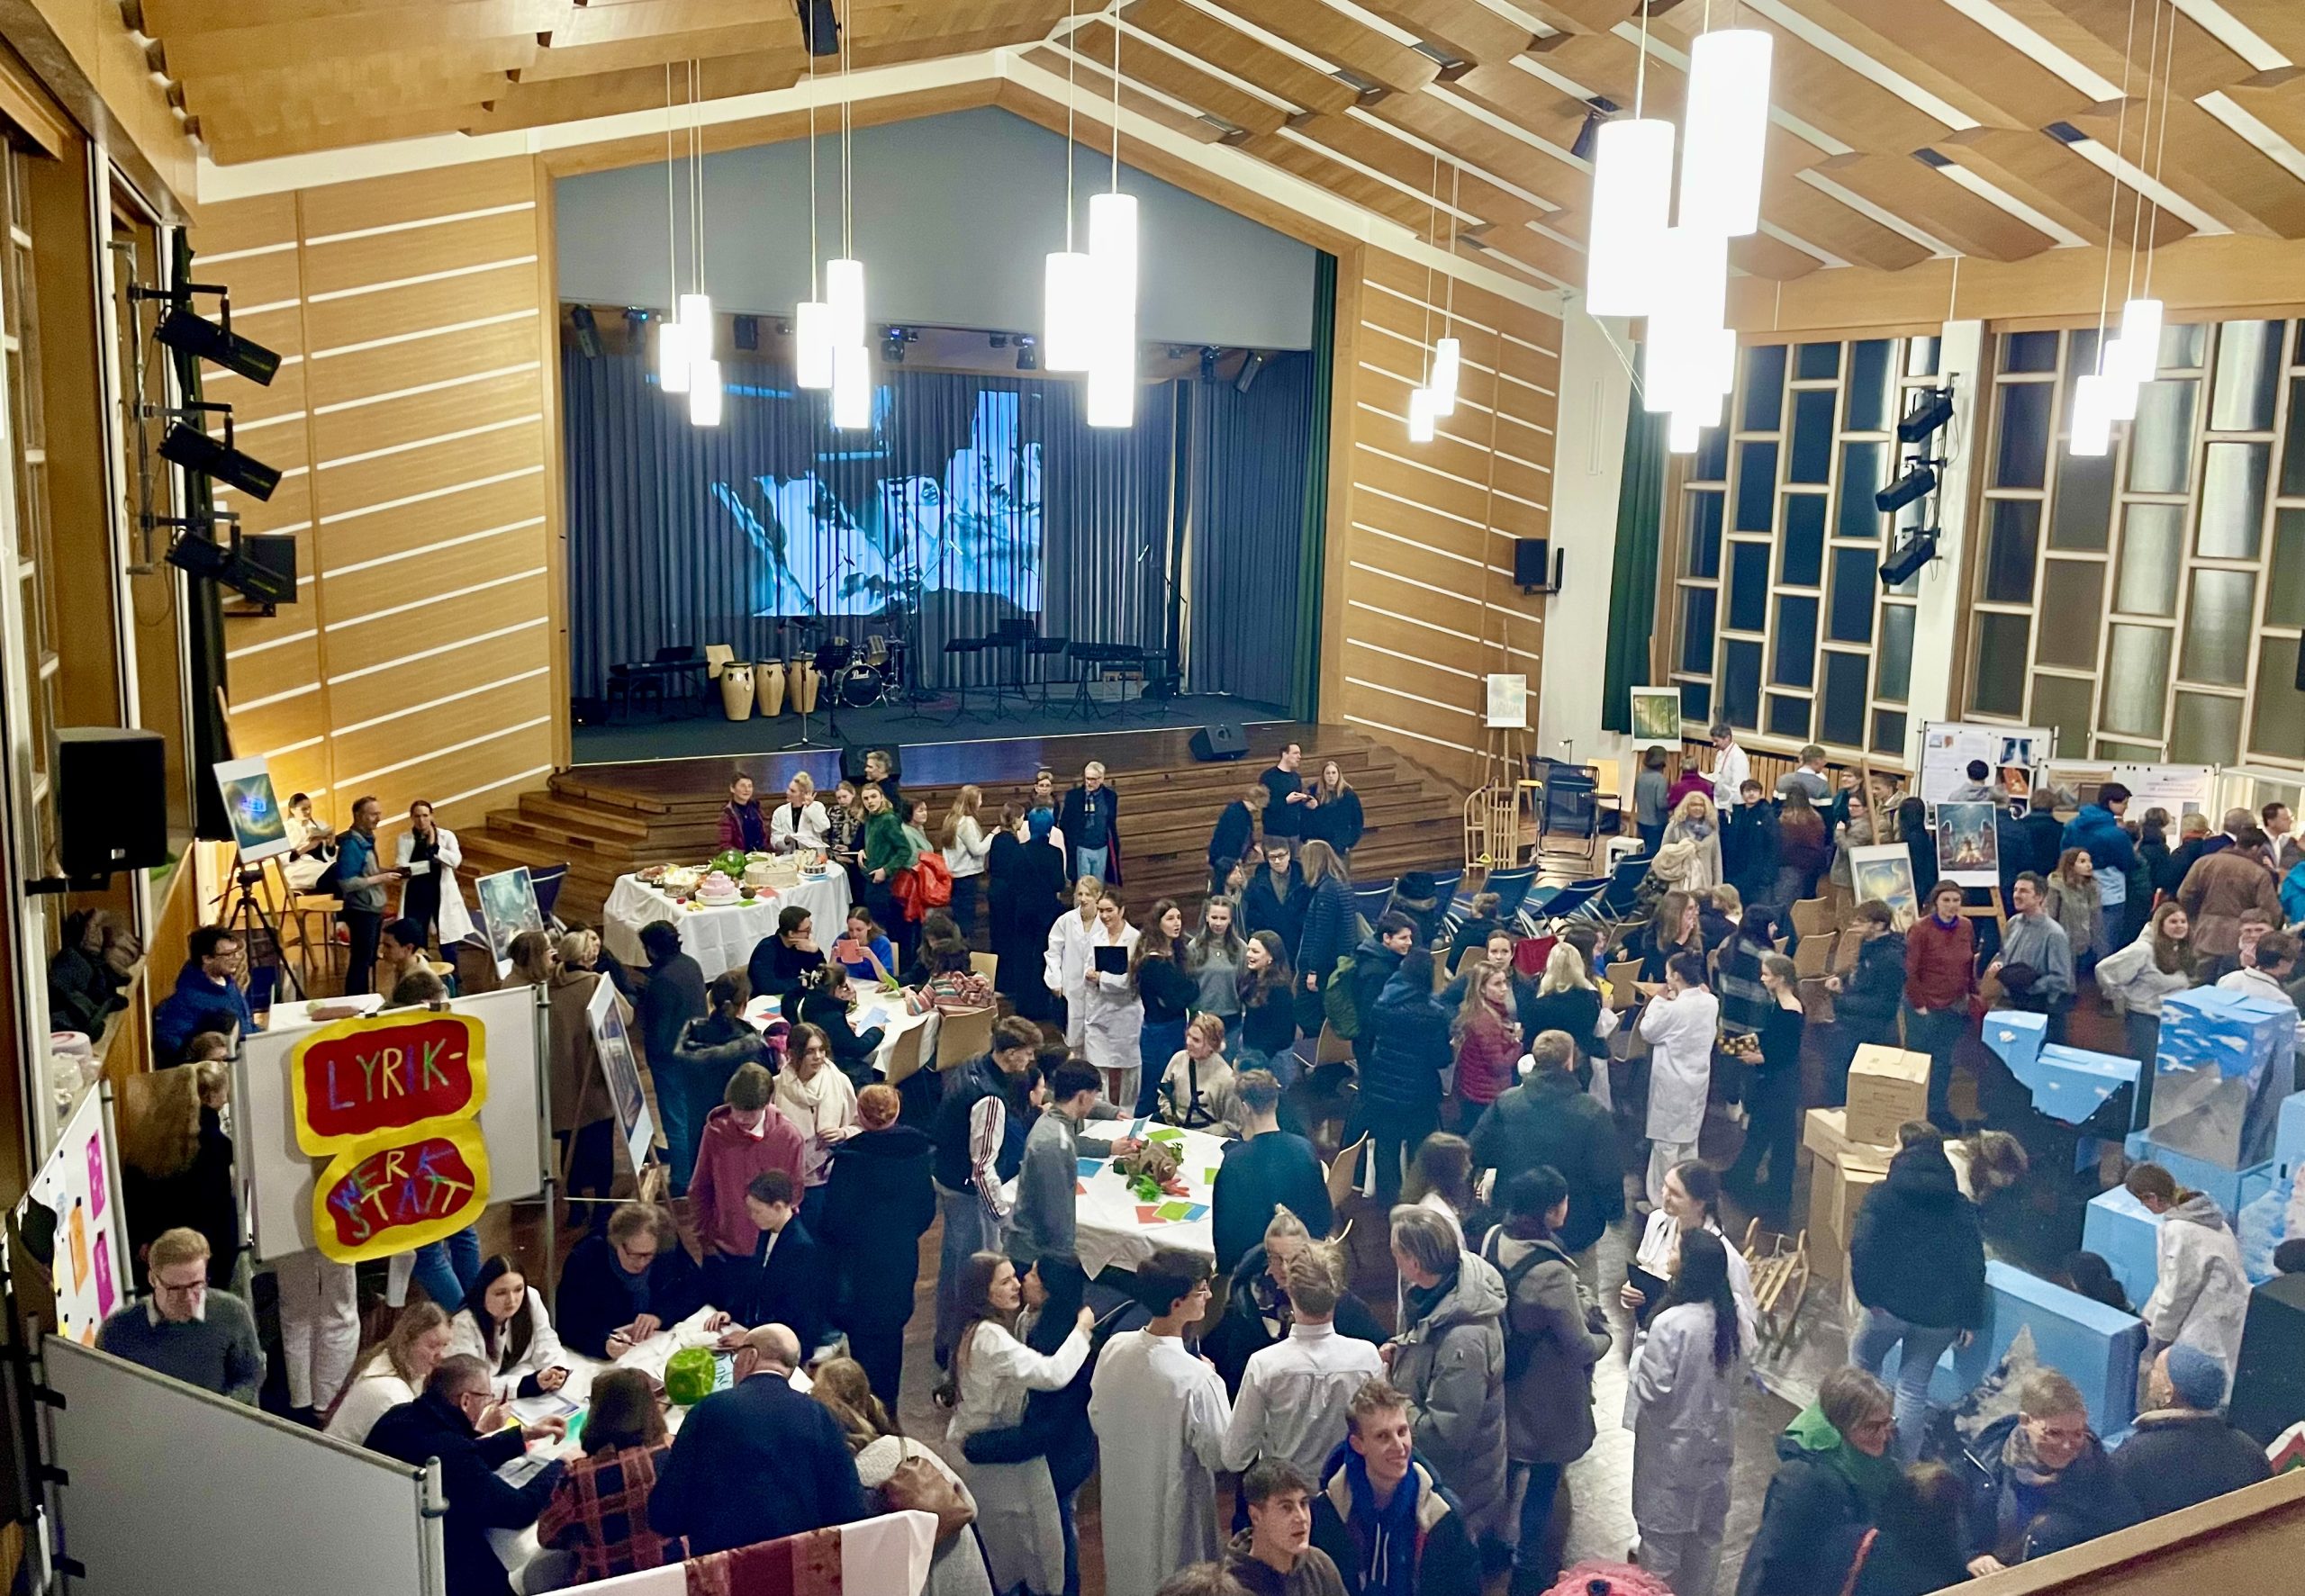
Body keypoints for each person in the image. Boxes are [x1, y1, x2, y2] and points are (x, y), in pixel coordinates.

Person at [1481, 1168, 1612, 1593]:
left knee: (1505, 1471)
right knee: (1543, 1481)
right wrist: (1606, 1338)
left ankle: (1492, 1545)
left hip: (1507, 1378)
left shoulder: (1494, 1238)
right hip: (1546, 1392)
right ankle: (1527, 1567)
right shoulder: (1551, 1272)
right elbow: (1579, 1345)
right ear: (1552, 1211)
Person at [945, 1252, 1098, 1596]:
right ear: (984, 1293)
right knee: (1014, 1538)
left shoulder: (991, 1327)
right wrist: (1083, 1330)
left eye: (1024, 1275)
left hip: (1033, 1450)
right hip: (994, 1448)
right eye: (1006, 1280)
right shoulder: (993, 1335)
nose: (1020, 1281)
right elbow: (1052, 1374)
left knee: (1038, 1534)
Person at [648, 1323, 867, 1555]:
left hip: (723, 1565)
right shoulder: (821, 1415)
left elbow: (665, 1515)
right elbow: (849, 1509)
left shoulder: (708, 1410)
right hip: (802, 1563)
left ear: (750, 1356)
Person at [1091, 1250, 1234, 1596]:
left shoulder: (1114, 1347)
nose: (1209, 1295)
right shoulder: (1196, 1378)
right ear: (1177, 1303)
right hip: (1174, 1505)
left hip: (1124, 1495)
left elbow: (1096, 1415)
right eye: (1201, 1290)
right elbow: (1221, 1454)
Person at [365, 1356, 566, 1596]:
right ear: (466, 1401)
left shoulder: (401, 1416)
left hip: (380, 1538)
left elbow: (467, 1453)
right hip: (432, 1561)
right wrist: (561, 1466)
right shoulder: (449, 1450)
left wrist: (523, 1435)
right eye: (487, 1397)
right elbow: (519, 1510)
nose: (488, 1404)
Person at [1849, 1136, 1987, 1463]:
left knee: (1862, 1367)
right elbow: (1974, 1265)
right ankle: (1904, 1466)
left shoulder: (1882, 1197)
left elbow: (1863, 1247)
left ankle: (1853, 1443)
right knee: (1912, 1389)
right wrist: (1969, 1318)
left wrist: (1867, 1295)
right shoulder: (1960, 1207)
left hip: (1887, 1307)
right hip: (1939, 1319)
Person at [1627, 1228, 1746, 1596]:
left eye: (1677, 1248)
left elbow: (1652, 1391)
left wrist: (1640, 1350)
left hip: (1670, 1459)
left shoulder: (1672, 1323)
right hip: (1714, 1452)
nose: (1671, 1252)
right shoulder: (1732, 1318)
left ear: (1689, 1266)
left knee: (1659, 1559)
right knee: (1705, 1547)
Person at [1383, 1206, 1507, 1553]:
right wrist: (1402, 1348)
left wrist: (1393, 1395)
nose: (1393, 1260)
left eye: (1396, 1253)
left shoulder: (1463, 1342)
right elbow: (1426, 1343)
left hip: (1462, 1488)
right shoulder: (1441, 1291)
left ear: (1414, 1264)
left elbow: (1445, 1435)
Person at [1467, 1030, 1619, 1298]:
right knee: (1581, 1299)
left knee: (1513, 1296)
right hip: (1574, 1225)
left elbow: (1477, 1152)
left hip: (1517, 1220)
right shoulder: (1593, 1113)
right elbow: (1606, 1175)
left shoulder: (1507, 1103)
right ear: (1570, 1061)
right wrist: (1613, 1212)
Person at [1223, 1246, 1386, 1485]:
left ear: (1289, 1290)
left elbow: (1234, 1457)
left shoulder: (1265, 1365)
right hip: (1349, 1491)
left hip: (1286, 1494)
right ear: (1337, 1291)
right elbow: (1380, 1434)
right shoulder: (1367, 1357)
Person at [933, 1016, 1043, 1361]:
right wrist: (1002, 1216)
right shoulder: (991, 1098)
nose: (1030, 1060)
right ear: (1009, 1054)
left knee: (953, 1264)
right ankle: (962, 1349)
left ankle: (947, 1339)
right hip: (968, 1193)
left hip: (947, 1178)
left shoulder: (972, 1066)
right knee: (975, 1277)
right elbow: (982, 1166)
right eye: (1027, 1053)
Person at [1734, 1368, 1899, 1596]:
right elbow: (1770, 1562)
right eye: (1870, 1427)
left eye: (1887, 1423)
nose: (1882, 1436)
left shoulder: (1877, 1462)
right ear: (1840, 1426)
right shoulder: (1802, 1481)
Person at [1310, 1378, 1481, 1596]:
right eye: (1383, 1436)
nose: (1399, 1447)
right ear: (1358, 1445)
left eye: (1402, 1432)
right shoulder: (1325, 1513)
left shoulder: (1444, 1515)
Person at [820, 1082, 936, 1405]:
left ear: (861, 1115)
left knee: (863, 1342)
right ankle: (889, 1407)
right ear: (896, 1112)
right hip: (899, 1257)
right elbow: (925, 1210)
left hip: (858, 1266)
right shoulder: (916, 1152)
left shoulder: (851, 1160)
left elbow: (834, 1221)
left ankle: (864, 1408)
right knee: (891, 1336)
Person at [1960, 1368, 2138, 1573]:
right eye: (2054, 1433)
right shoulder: (1984, 1461)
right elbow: (1963, 1519)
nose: (2066, 1446)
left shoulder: (2096, 1470)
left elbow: (2127, 1528)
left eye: (2077, 1434)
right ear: (2025, 1421)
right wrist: (1974, 1556)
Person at [534, 1366, 685, 1582]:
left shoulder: (580, 1477)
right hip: (676, 1577)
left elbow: (547, 1536)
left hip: (606, 1585)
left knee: (533, 1574)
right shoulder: (677, 1451)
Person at [1010, 1059, 1139, 1295]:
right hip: (1039, 1254)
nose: (1094, 1101)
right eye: (1093, 1096)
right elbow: (1055, 1210)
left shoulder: (1053, 1124)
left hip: (1039, 1247)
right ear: (1082, 1097)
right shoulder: (1054, 1143)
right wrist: (1063, 1260)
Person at [95, 1227, 261, 1403]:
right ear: (153, 1279)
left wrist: (221, 1408)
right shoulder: (118, 1330)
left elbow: (249, 1377)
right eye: (175, 1289)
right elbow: (105, 1394)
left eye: (196, 1285)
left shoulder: (231, 1312)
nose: (188, 1299)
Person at [2110, 1343, 2272, 1519]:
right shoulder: (2250, 1451)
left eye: (2155, 1371)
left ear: (2168, 1391)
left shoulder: (2133, 1457)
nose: (2149, 1378)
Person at [2126, 1160, 2249, 1381]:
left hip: (2208, 1325)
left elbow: (2176, 1292)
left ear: (2151, 1197)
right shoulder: (2213, 1219)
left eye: (2142, 1200)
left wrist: (2159, 1336)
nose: (2144, 1206)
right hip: (2233, 1316)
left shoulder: (2180, 1231)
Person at [666, 975, 772, 1215]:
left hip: (699, 1126)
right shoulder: (749, 1048)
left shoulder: (692, 1038)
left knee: (706, 1195)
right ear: (744, 1004)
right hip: (737, 1135)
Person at [1356, 948, 1452, 1207]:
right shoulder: (1434, 1013)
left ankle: (1388, 1203)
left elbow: (1368, 1041)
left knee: (1386, 1148)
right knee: (1418, 1150)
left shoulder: (1383, 1003)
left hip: (1382, 1088)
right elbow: (1441, 1058)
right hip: (1419, 1093)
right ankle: (1415, 1200)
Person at [554, 1201, 710, 1361]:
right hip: (609, 1353)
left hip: (655, 1345)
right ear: (617, 1243)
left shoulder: (666, 1248)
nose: (641, 1263)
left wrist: (660, 1316)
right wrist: (603, 1344)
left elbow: (697, 1289)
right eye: (634, 1255)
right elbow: (567, 1324)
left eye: (648, 1255)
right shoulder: (586, 1259)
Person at [1623, 1162, 1758, 1343]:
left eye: (1675, 1193)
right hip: (1650, 1329)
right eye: (1665, 1186)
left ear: (1699, 1203)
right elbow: (1647, 1265)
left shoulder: (1726, 1256)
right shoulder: (1657, 1220)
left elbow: (1744, 1320)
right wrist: (1632, 1289)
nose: (1665, 1196)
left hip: (1693, 1342)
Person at [1210, 1069, 1329, 1272]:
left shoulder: (1235, 1162)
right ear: (1275, 1102)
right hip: (1303, 1262)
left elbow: (1225, 1236)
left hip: (1255, 1268)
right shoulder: (1305, 1148)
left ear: (1245, 1108)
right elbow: (1323, 1217)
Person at [2096, 900, 2199, 1123]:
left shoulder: (2180, 949)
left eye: (2183, 921)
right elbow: (2105, 970)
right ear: (2160, 924)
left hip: (2171, 1021)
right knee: (2147, 1075)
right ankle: (2136, 1123)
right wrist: (2121, 1000)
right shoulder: (2142, 950)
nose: (2179, 926)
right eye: (2173, 921)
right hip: (2144, 1019)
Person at [1724, 953, 1807, 1222]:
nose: (1762, 978)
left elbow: (1787, 1051)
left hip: (1779, 1084)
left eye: (1767, 975)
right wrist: (1753, 1041)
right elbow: (1775, 1038)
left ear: (1780, 979)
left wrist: (1758, 1057)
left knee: (1773, 1136)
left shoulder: (1791, 1011)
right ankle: (1755, 1181)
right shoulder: (1781, 1005)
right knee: (1769, 1135)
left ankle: (1759, 1185)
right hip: (1777, 1082)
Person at [1638, 951, 1719, 1207]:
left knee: (1665, 1146)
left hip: (1672, 1083)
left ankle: (1661, 1203)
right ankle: (1689, 1195)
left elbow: (1648, 1031)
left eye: (1667, 973)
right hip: (1697, 1079)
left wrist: (1658, 1000)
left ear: (1676, 976)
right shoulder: (1711, 1002)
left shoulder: (1673, 1009)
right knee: (1688, 1141)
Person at [727, 1169, 832, 1352]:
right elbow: (755, 1281)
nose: (752, 1216)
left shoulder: (801, 1247)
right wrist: (730, 1312)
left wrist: (752, 1336)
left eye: (757, 1211)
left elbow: (793, 1309)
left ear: (778, 1207)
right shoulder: (767, 1230)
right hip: (766, 1325)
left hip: (788, 1339)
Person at [1900, 882, 1975, 1132]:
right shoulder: (1920, 929)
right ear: (1935, 903)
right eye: (1946, 900)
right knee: (1920, 1062)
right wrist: (1919, 1005)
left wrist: (1971, 995)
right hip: (1925, 1008)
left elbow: (1968, 963)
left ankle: (1938, 1111)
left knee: (1944, 1063)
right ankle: (1913, 1113)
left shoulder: (1966, 926)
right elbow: (1910, 971)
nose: (1952, 906)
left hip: (1954, 1007)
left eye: (1956, 900)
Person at [773, 1019, 861, 1220]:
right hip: (791, 1180)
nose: (818, 1056)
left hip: (830, 1176)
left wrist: (843, 1132)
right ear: (793, 1054)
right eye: (810, 1051)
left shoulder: (839, 1081)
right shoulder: (776, 1087)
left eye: (822, 1050)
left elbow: (860, 1126)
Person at [327, 1302, 451, 1444]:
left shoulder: (390, 1359)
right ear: (407, 1341)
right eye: (433, 1346)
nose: (442, 1355)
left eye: (445, 1345)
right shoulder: (391, 1393)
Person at [447, 1256, 567, 1400]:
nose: (511, 1300)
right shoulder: (463, 1323)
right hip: (487, 1395)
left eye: (518, 1289)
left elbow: (546, 1339)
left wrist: (555, 1369)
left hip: (522, 1375)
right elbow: (469, 1381)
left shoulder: (530, 1298)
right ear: (483, 1292)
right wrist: (526, 1385)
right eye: (501, 1293)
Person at [1225, 1458, 1349, 1596]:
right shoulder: (1229, 1587)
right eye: (1286, 1507)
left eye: (1303, 1504)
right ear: (1255, 1516)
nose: (1301, 1518)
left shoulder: (1319, 1566)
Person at [992, 804, 1070, 1020]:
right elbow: (1059, 884)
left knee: (1023, 955)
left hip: (1024, 910)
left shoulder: (1020, 851)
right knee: (1046, 955)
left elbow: (1014, 881)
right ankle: (1042, 1004)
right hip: (1047, 912)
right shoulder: (1055, 853)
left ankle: (1024, 1004)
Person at [2178, 814, 2284, 958]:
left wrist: (2195, 918)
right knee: (2233, 972)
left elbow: (2184, 895)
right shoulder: (2258, 873)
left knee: (2201, 970)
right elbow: (2270, 910)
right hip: (2240, 939)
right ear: (2255, 848)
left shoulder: (2203, 863)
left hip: (2203, 933)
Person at [1988, 872, 2075, 1041]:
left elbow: (2061, 979)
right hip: (2013, 1003)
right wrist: (2000, 966)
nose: (2016, 895)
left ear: (2039, 897)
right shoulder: (2013, 924)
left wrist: (2029, 987)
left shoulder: (2054, 934)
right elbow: (2004, 955)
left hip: (2041, 1009)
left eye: (2024, 891)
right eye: (2015, 890)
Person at [152, 925, 254, 1062]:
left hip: (247, 1054)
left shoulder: (229, 983)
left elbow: (246, 1025)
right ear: (207, 958)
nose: (236, 958)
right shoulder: (185, 999)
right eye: (229, 954)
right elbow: (172, 1046)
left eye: (236, 952)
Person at [1135, 897, 1198, 1115]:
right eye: (1170, 918)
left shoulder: (1178, 954)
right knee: (1154, 1087)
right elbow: (1173, 1001)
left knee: (1175, 1083)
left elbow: (1187, 992)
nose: (1177, 923)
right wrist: (1190, 990)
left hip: (1178, 1026)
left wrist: (1188, 991)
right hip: (1158, 1032)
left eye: (1178, 918)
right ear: (1158, 923)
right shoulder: (1153, 962)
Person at [335, 795, 402, 997]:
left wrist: (390, 872)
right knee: (360, 962)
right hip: (361, 910)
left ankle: (365, 1000)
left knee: (367, 960)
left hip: (372, 908)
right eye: (373, 814)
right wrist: (381, 878)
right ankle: (357, 1002)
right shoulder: (351, 845)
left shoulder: (366, 840)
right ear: (358, 815)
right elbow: (346, 882)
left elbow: (367, 871)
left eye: (379, 814)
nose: (378, 819)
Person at [395, 798, 475, 951]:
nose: (421, 820)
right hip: (416, 894)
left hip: (440, 892)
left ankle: (450, 967)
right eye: (417, 816)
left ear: (431, 816)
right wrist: (429, 865)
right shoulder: (404, 839)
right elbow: (403, 869)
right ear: (412, 817)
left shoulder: (447, 836)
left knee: (448, 944)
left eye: (425, 815)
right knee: (417, 942)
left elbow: (455, 861)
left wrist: (435, 848)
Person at [1294, 841, 1356, 1034]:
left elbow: (1322, 935)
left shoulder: (1326, 891)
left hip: (1323, 966)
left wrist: (1313, 969)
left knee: (1308, 1016)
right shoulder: (1341, 885)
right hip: (1339, 962)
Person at [1448, 966, 1522, 1128]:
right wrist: (1517, 1045)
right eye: (1497, 984)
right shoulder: (1486, 1021)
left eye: (1505, 982)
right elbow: (1498, 1065)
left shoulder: (1480, 1011)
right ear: (1481, 988)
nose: (1504, 988)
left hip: (1474, 1090)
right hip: (1486, 1096)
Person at [795, 960, 886, 1087]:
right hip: (835, 1067)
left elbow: (828, 1030)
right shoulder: (831, 1016)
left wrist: (844, 1027)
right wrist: (876, 1031)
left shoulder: (812, 1001)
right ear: (838, 989)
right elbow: (858, 1048)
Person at [2063, 782, 2135, 940]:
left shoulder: (2072, 826)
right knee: (2106, 943)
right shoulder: (2116, 835)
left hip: (2077, 890)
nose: (2126, 807)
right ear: (2111, 802)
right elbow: (2129, 863)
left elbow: (2064, 856)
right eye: (2124, 803)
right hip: (2110, 895)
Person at [858, 781, 917, 966]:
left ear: (882, 797)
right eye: (866, 798)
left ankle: (889, 967)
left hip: (885, 885)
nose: (870, 801)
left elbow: (904, 850)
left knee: (883, 929)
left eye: (873, 797)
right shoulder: (871, 819)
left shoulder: (888, 820)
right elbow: (879, 844)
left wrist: (886, 870)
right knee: (876, 927)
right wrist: (863, 850)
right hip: (871, 880)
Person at [1046, 874, 1105, 1049]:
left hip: (1098, 990)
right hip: (1071, 989)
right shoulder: (1065, 921)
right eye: (1080, 894)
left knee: (1098, 1040)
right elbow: (1053, 953)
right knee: (1074, 1039)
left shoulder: (1105, 921)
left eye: (1088, 894)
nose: (1083, 899)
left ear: (1098, 896)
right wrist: (1055, 981)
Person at [1162, 1012, 1242, 1132]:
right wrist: (1171, 1118)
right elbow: (1164, 1094)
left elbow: (1232, 1125)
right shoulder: (1178, 1059)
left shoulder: (1227, 1079)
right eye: (1188, 1035)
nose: (1188, 1042)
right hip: (1175, 1129)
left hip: (1208, 1137)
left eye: (1196, 1040)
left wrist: (1200, 1135)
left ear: (1212, 1044)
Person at [1239, 932, 1300, 1070]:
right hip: (1251, 1049)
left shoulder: (1280, 990)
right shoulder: (1251, 979)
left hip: (1273, 1058)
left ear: (1271, 957)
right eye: (1249, 950)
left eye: (1255, 951)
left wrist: (1259, 1059)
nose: (1248, 955)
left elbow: (1283, 1031)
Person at [1189, 896, 1249, 1034]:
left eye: (1223, 918)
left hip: (1231, 1017)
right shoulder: (1194, 946)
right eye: (1214, 917)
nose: (1218, 923)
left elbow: (1245, 982)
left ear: (1230, 920)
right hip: (1202, 1017)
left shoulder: (1241, 948)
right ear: (1207, 917)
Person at [1244, 840, 1308, 960]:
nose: (1277, 861)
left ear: (1288, 855)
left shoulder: (1304, 881)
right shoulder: (1256, 883)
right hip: (1268, 944)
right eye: (1272, 857)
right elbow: (1251, 915)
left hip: (1299, 941)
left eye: (1281, 856)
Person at [1062, 761, 1123, 884]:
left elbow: (1110, 822)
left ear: (1101, 779)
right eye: (1087, 778)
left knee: (1098, 884)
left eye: (1093, 779)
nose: (1089, 782)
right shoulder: (1074, 796)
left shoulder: (1110, 796)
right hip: (1081, 846)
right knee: (1082, 885)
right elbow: (1065, 822)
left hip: (1101, 846)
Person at [2044, 847, 2106, 969]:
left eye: (2089, 861)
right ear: (2070, 866)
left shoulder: (2093, 887)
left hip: (2088, 943)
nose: (2089, 865)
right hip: (2064, 942)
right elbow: (2050, 916)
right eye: (2082, 862)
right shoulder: (2057, 886)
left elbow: (2097, 919)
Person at [747, 905, 824, 1001]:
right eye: (807, 930)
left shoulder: (800, 945)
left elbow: (821, 974)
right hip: (766, 1000)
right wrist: (801, 982)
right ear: (791, 933)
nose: (810, 933)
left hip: (791, 996)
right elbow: (768, 986)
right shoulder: (766, 949)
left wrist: (814, 951)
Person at [1212, 785, 1270, 894]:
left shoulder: (1243, 812)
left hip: (1231, 858)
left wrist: (1253, 845)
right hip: (1226, 857)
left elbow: (1246, 835)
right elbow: (1231, 838)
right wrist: (1236, 859)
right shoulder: (1236, 813)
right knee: (1222, 889)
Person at [1664, 791, 1725, 892]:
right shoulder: (1675, 826)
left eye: (1701, 805)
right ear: (1686, 807)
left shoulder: (1712, 829)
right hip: (1679, 883)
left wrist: (1718, 886)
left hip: (1704, 884)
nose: (1698, 808)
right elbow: (1664, 855)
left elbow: (1716, 859)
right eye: (1694, 805)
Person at [1304, 762, 1364, 859]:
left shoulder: (1349, 795)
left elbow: (1357, 823)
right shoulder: (1313, 793)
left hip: (1340, 847)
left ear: (1339, 775)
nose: (1331, 776)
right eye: (1328, 773)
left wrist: (1348, 844)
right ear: (1323, 775)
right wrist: (1307, 839)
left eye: (1334, 773)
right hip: (1318, 846)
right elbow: (1305, 819)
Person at [282, 791, 337, 890]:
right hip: (301, 870)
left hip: (324, 865)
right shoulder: (286, 828)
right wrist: (309, 846)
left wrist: (331, 843)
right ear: (292, 810)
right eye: (304, 809)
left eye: (309, 808)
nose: (308, 811)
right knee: (341, 872)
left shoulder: (319, 824)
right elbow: (283, 858)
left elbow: (330, 855)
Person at [770, 771, 829, 852]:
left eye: (792, 791)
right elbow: (774, 839)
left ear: (804, 794)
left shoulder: (817, 807)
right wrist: (786, 839)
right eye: (788, 789)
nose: (787, 792)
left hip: (813, 855)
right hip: (790, 856)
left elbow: (823, 827)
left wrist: (810, 808)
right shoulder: (779, 812)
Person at [1261, 743, 1309, 843]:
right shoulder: (1269, 776)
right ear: (1284, 754)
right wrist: (1285, 801)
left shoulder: (1296, 777)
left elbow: (1298, 805)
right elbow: (1264, 803)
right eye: (1295, 753)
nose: (1299, 757)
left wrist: (1307, 801)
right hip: (1275, 833)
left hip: (1294, 832)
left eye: (1300, 754)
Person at [718, 771, 769, 852]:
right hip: (741, 856)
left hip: (761, 854)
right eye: (742, 786)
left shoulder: (756, 809)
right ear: (732, 788)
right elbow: (725, 845)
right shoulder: (728, 814)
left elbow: (765, 836)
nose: (747, 789)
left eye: (750, 786)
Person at [1633, 747, 1670, 856]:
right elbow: (1661, 804)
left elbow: (1636, 795)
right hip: (1656, 823)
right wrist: (1671, 803)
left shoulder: (1640, 777)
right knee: (1654, 854)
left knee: (1643, 852)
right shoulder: (1660, 780)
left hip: (1641, 820)